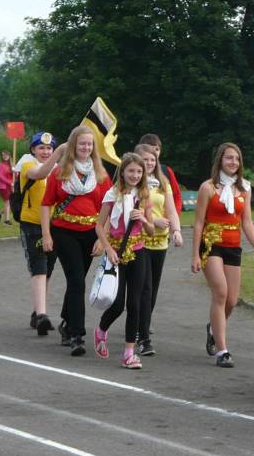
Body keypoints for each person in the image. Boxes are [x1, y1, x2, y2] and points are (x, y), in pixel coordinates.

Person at [191, 142, 254, 368]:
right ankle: (223, 351)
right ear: (220, 161)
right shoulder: (208, 188)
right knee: (221, 293)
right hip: (211, 243)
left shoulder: (244, 188)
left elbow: (247, 221)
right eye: (228, 158)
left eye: (236, 158)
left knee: (232, 300)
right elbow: (198, 223)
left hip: (233, 245)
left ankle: (214, 328)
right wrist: (195, 254)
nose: (233, 162)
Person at [41, 126, 111, 356]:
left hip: (91, 233)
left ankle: (65, 321)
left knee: (77, 280)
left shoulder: (101, 175)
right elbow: (46, 203)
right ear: (73, 146)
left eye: (90, 144)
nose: (86, 148)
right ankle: (76, 335)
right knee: (76, 282)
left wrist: (103, 239)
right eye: (82, 144)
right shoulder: (59, 172)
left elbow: (109, 208)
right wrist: (46, 234)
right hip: (64, 232)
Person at [93, 152, 155, 369]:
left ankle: (129, 353)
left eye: (139, 171)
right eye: (131, 171)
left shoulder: (144, 195)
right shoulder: (112, 194)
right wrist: (108, 249)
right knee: (117, 304)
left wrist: (144, 219)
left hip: (138, 252)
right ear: (123, 172)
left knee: (135, 303)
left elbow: (151, 230)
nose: (135, 175)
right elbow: (99, 225)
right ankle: (101, 329)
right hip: (117, 252)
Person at [134, 143, 183, 356]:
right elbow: (133, 210)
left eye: (152, 159)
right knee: (143, 289)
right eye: (145, 160)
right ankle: (143, 337)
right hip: (140, 239)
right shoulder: (134, 182)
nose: (150, 163)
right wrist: (154, 220)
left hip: (160, 242)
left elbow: (171, 209)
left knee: (152, 289)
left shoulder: (162, 183)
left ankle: (140, 326)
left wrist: (177, 230)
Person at [19, 132, 65, 336]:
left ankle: (38, 311)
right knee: (39, 268)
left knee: (48, 270)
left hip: (54, 225)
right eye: (41, 148)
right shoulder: (27, 164)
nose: (46, 152)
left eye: (49, 148)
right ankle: (42, 317)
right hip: (32, 224)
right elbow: (40, 174)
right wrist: (59, 155)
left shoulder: (59, 169)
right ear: (33, 150)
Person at [138, 133, 183, 214]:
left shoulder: (166, 170)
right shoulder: (134, 174)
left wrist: (172, 216)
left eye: (157, 149)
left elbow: (177, 195)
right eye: (150, 149)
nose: (154, 152)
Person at [0, 150, 13, 225]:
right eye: (3, 155)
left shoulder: (11, 165)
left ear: (9, 156)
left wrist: (16, 172)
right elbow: (0, 176)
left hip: (10, 186)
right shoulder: (0, 165)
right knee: (7, 202)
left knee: (10, 203)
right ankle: (7, 220)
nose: (5, 156)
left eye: (6, 155)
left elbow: (15, 176)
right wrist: (10, 182)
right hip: (3, 186)